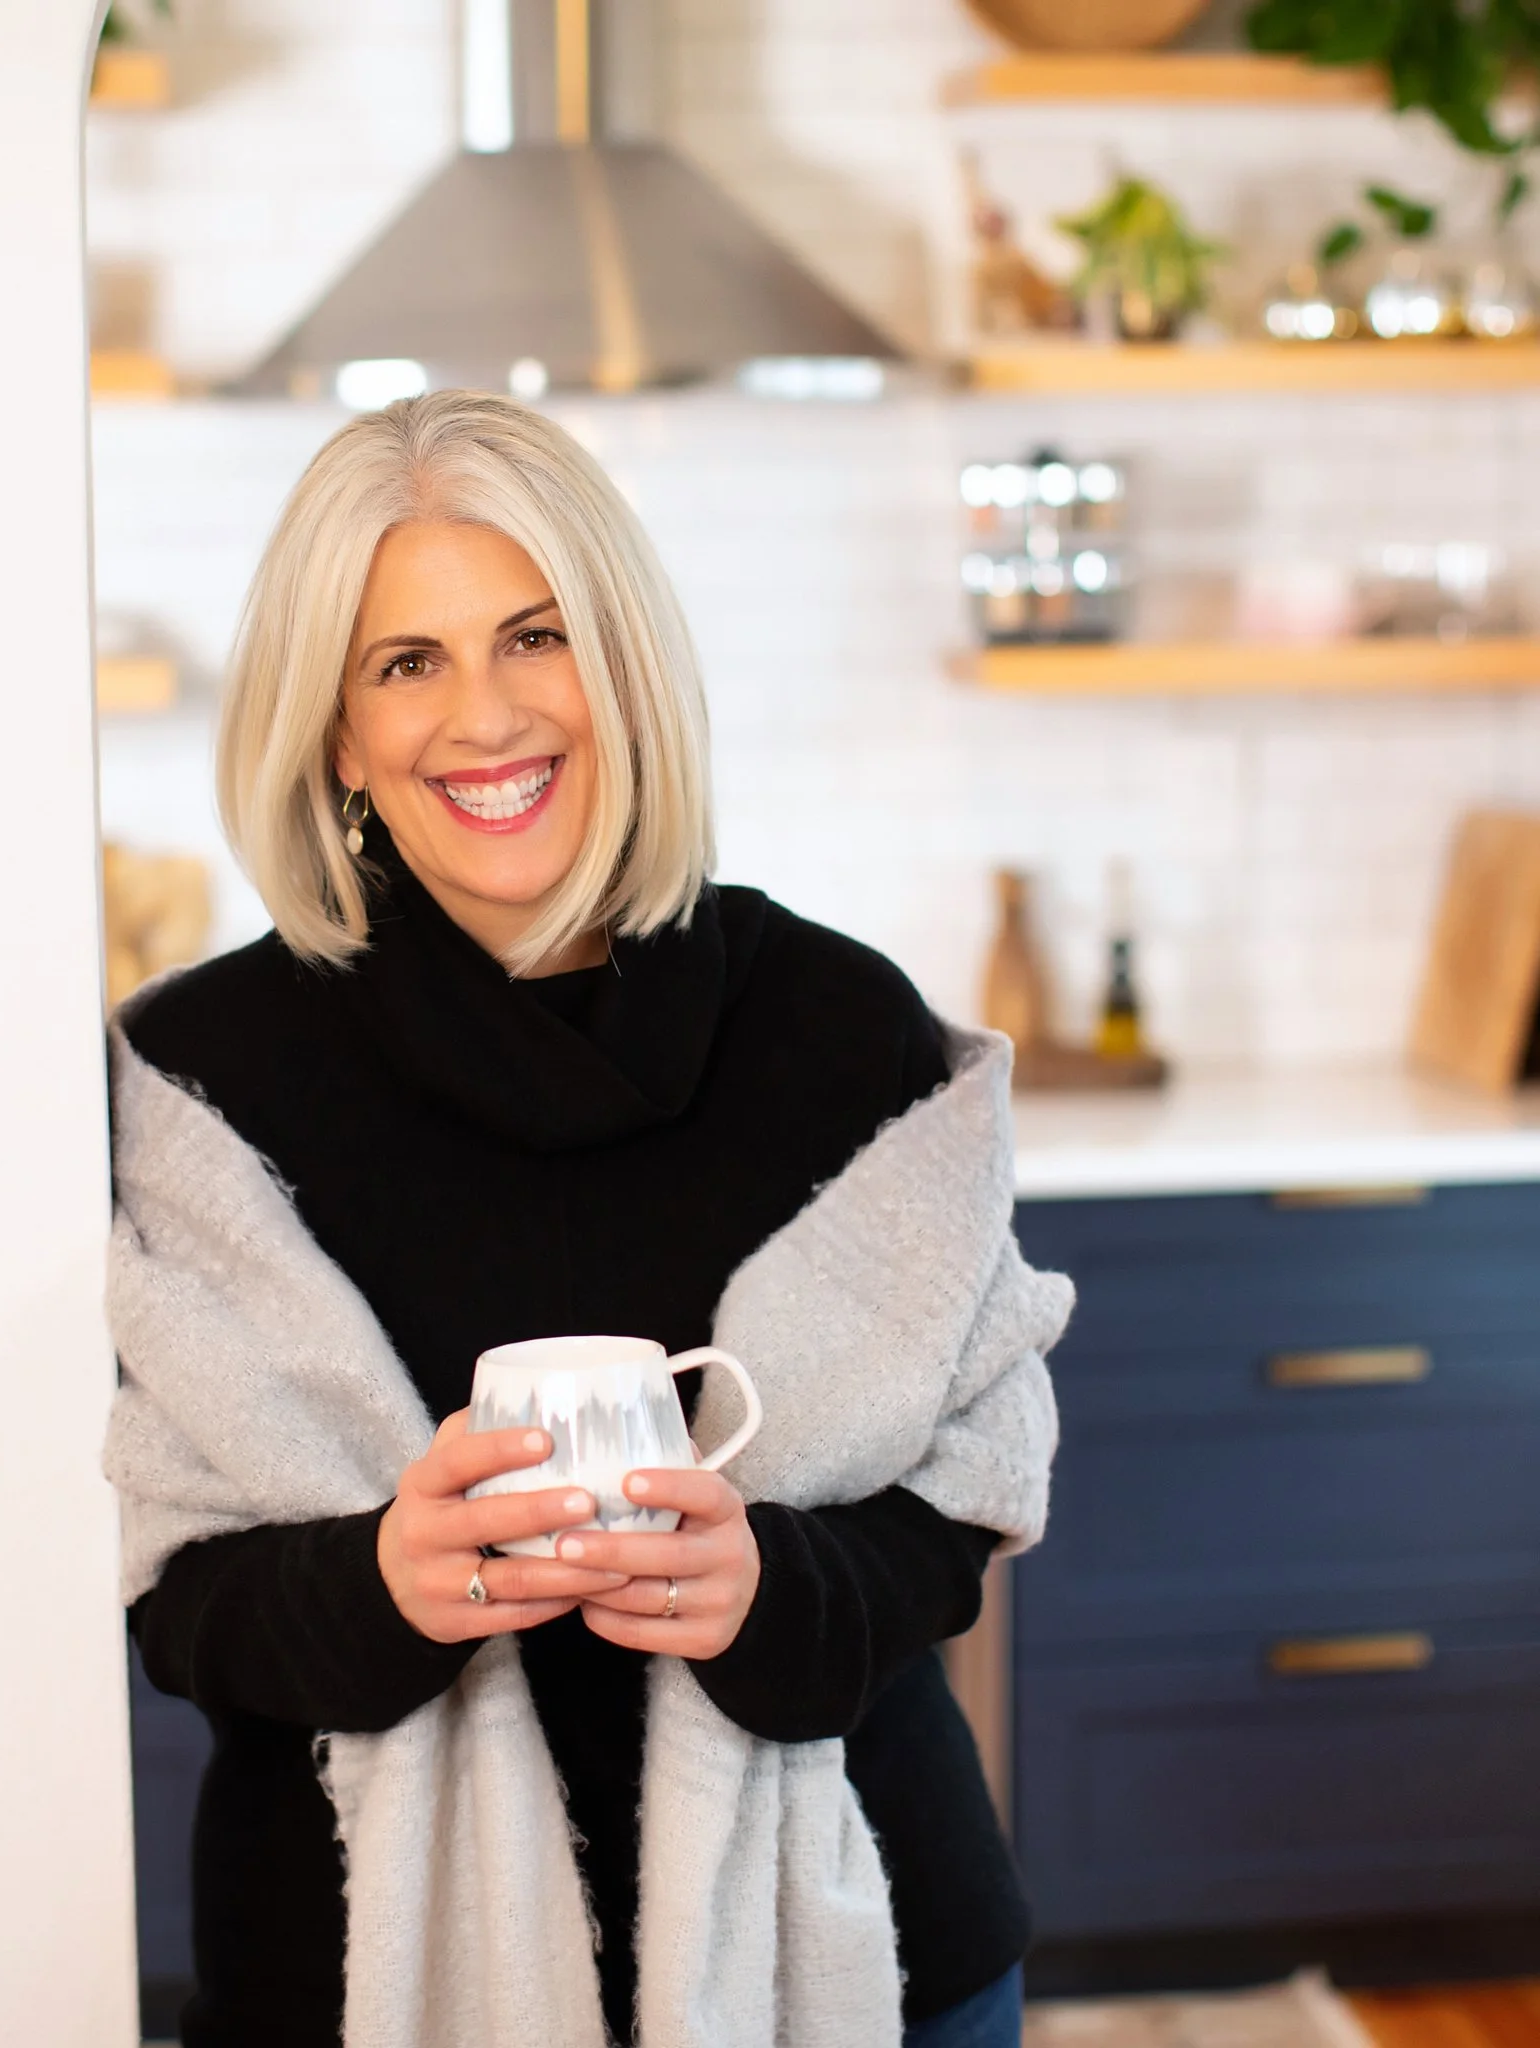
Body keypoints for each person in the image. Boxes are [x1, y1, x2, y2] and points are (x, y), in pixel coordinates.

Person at [108, 391, 1052, 2048]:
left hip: (859, 1967)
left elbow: (965, 1497)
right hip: (353, 1983)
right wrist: (380, 1585)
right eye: (407, 662)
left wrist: (773, 1586)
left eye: (536, 638)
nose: (485, 716)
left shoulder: (844, 1028)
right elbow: (176, 1591)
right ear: (337, 733)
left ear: (623, 669)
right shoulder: (203, 1088)